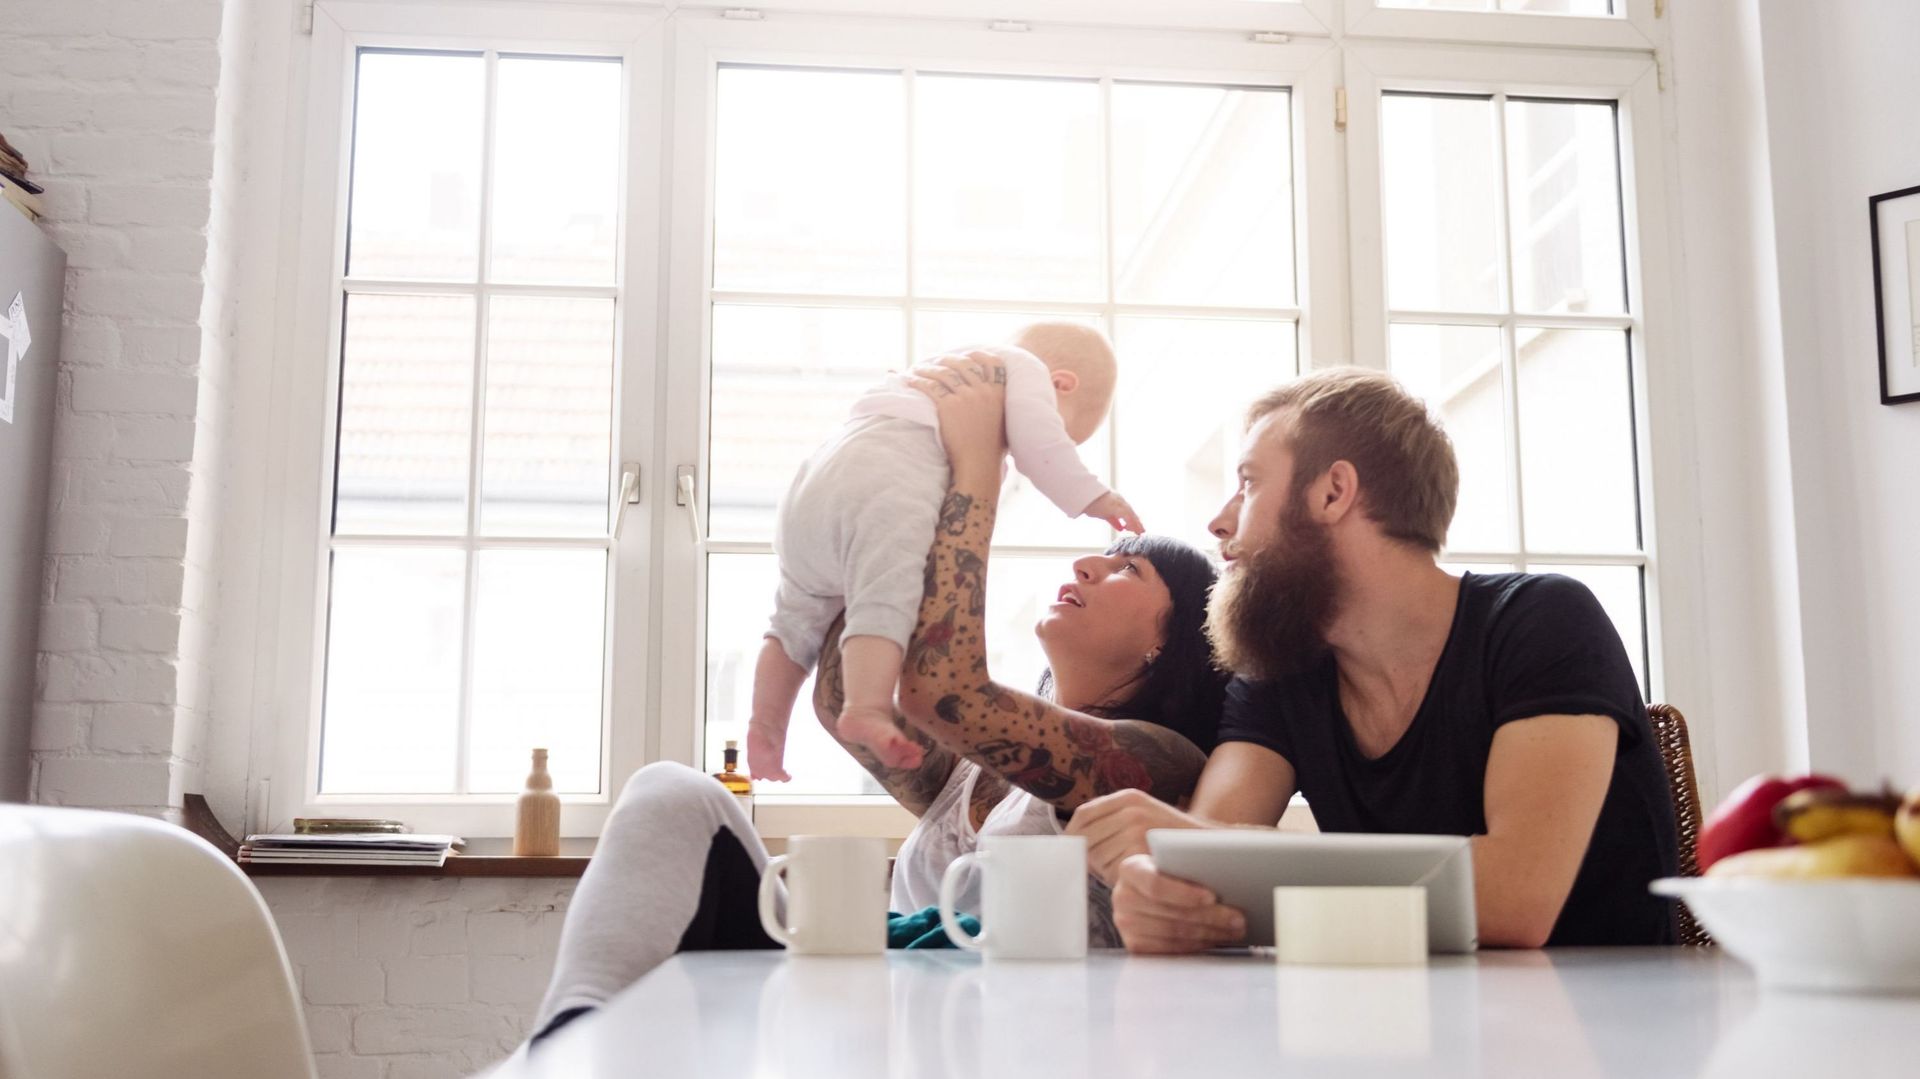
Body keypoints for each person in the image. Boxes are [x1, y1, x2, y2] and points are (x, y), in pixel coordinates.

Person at [530, 355, 1224, 1044]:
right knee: (670, 791)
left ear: (1171, 641)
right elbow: (840, 702)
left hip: (1005, 1042)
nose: (1086, 562)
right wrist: (882, 493)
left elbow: (943, 692)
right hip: (881, 1016)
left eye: (1128, 568)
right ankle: (569, 1043)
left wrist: (977, 467)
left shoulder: (1160, 761)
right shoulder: (975, 774)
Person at [1065, 367, 1680, 950]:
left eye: (1249, 482)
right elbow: (1201, 863)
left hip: (1604, 1026)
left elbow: (1514, 901)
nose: (1220, 521)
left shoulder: (1544, 619)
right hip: (1400, 1018)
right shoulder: (1280, 671)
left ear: (1333, 492)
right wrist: (1161, 895)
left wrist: (1211, 857)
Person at [749, 322, 1145, 782]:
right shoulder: (1023, 371)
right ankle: (868, 706)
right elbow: (1044, 453)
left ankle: (766, 725)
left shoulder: (945, 370)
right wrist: (1096, 498)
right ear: (1061, 384)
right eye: (1068, 432)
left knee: (793, 620)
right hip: (881, 484)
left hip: (811, 490)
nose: (1018, 457)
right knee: (888, 594)